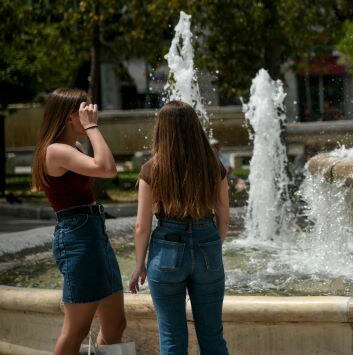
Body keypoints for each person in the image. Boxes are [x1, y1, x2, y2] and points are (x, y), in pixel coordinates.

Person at [129, 100, 229, 355]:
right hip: (207, 241)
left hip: (166, 248)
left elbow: (142, 225)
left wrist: (139, 265)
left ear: (162, 129)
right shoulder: (213, 166)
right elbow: (223, 214)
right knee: (213, 336)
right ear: (195, 128)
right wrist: (212, 245)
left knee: (172, 337)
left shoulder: (152, 169)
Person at [31, 88, 126, 355]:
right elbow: (107, 169)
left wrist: (90, 128)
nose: (90, 112)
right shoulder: (55, 151)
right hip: (77, 238)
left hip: (94, 234)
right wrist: (93, 126)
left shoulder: (73, 147)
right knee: (76, 331)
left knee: (116, 325)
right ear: (68, 116)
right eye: (83, 109)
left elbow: (102, 165)